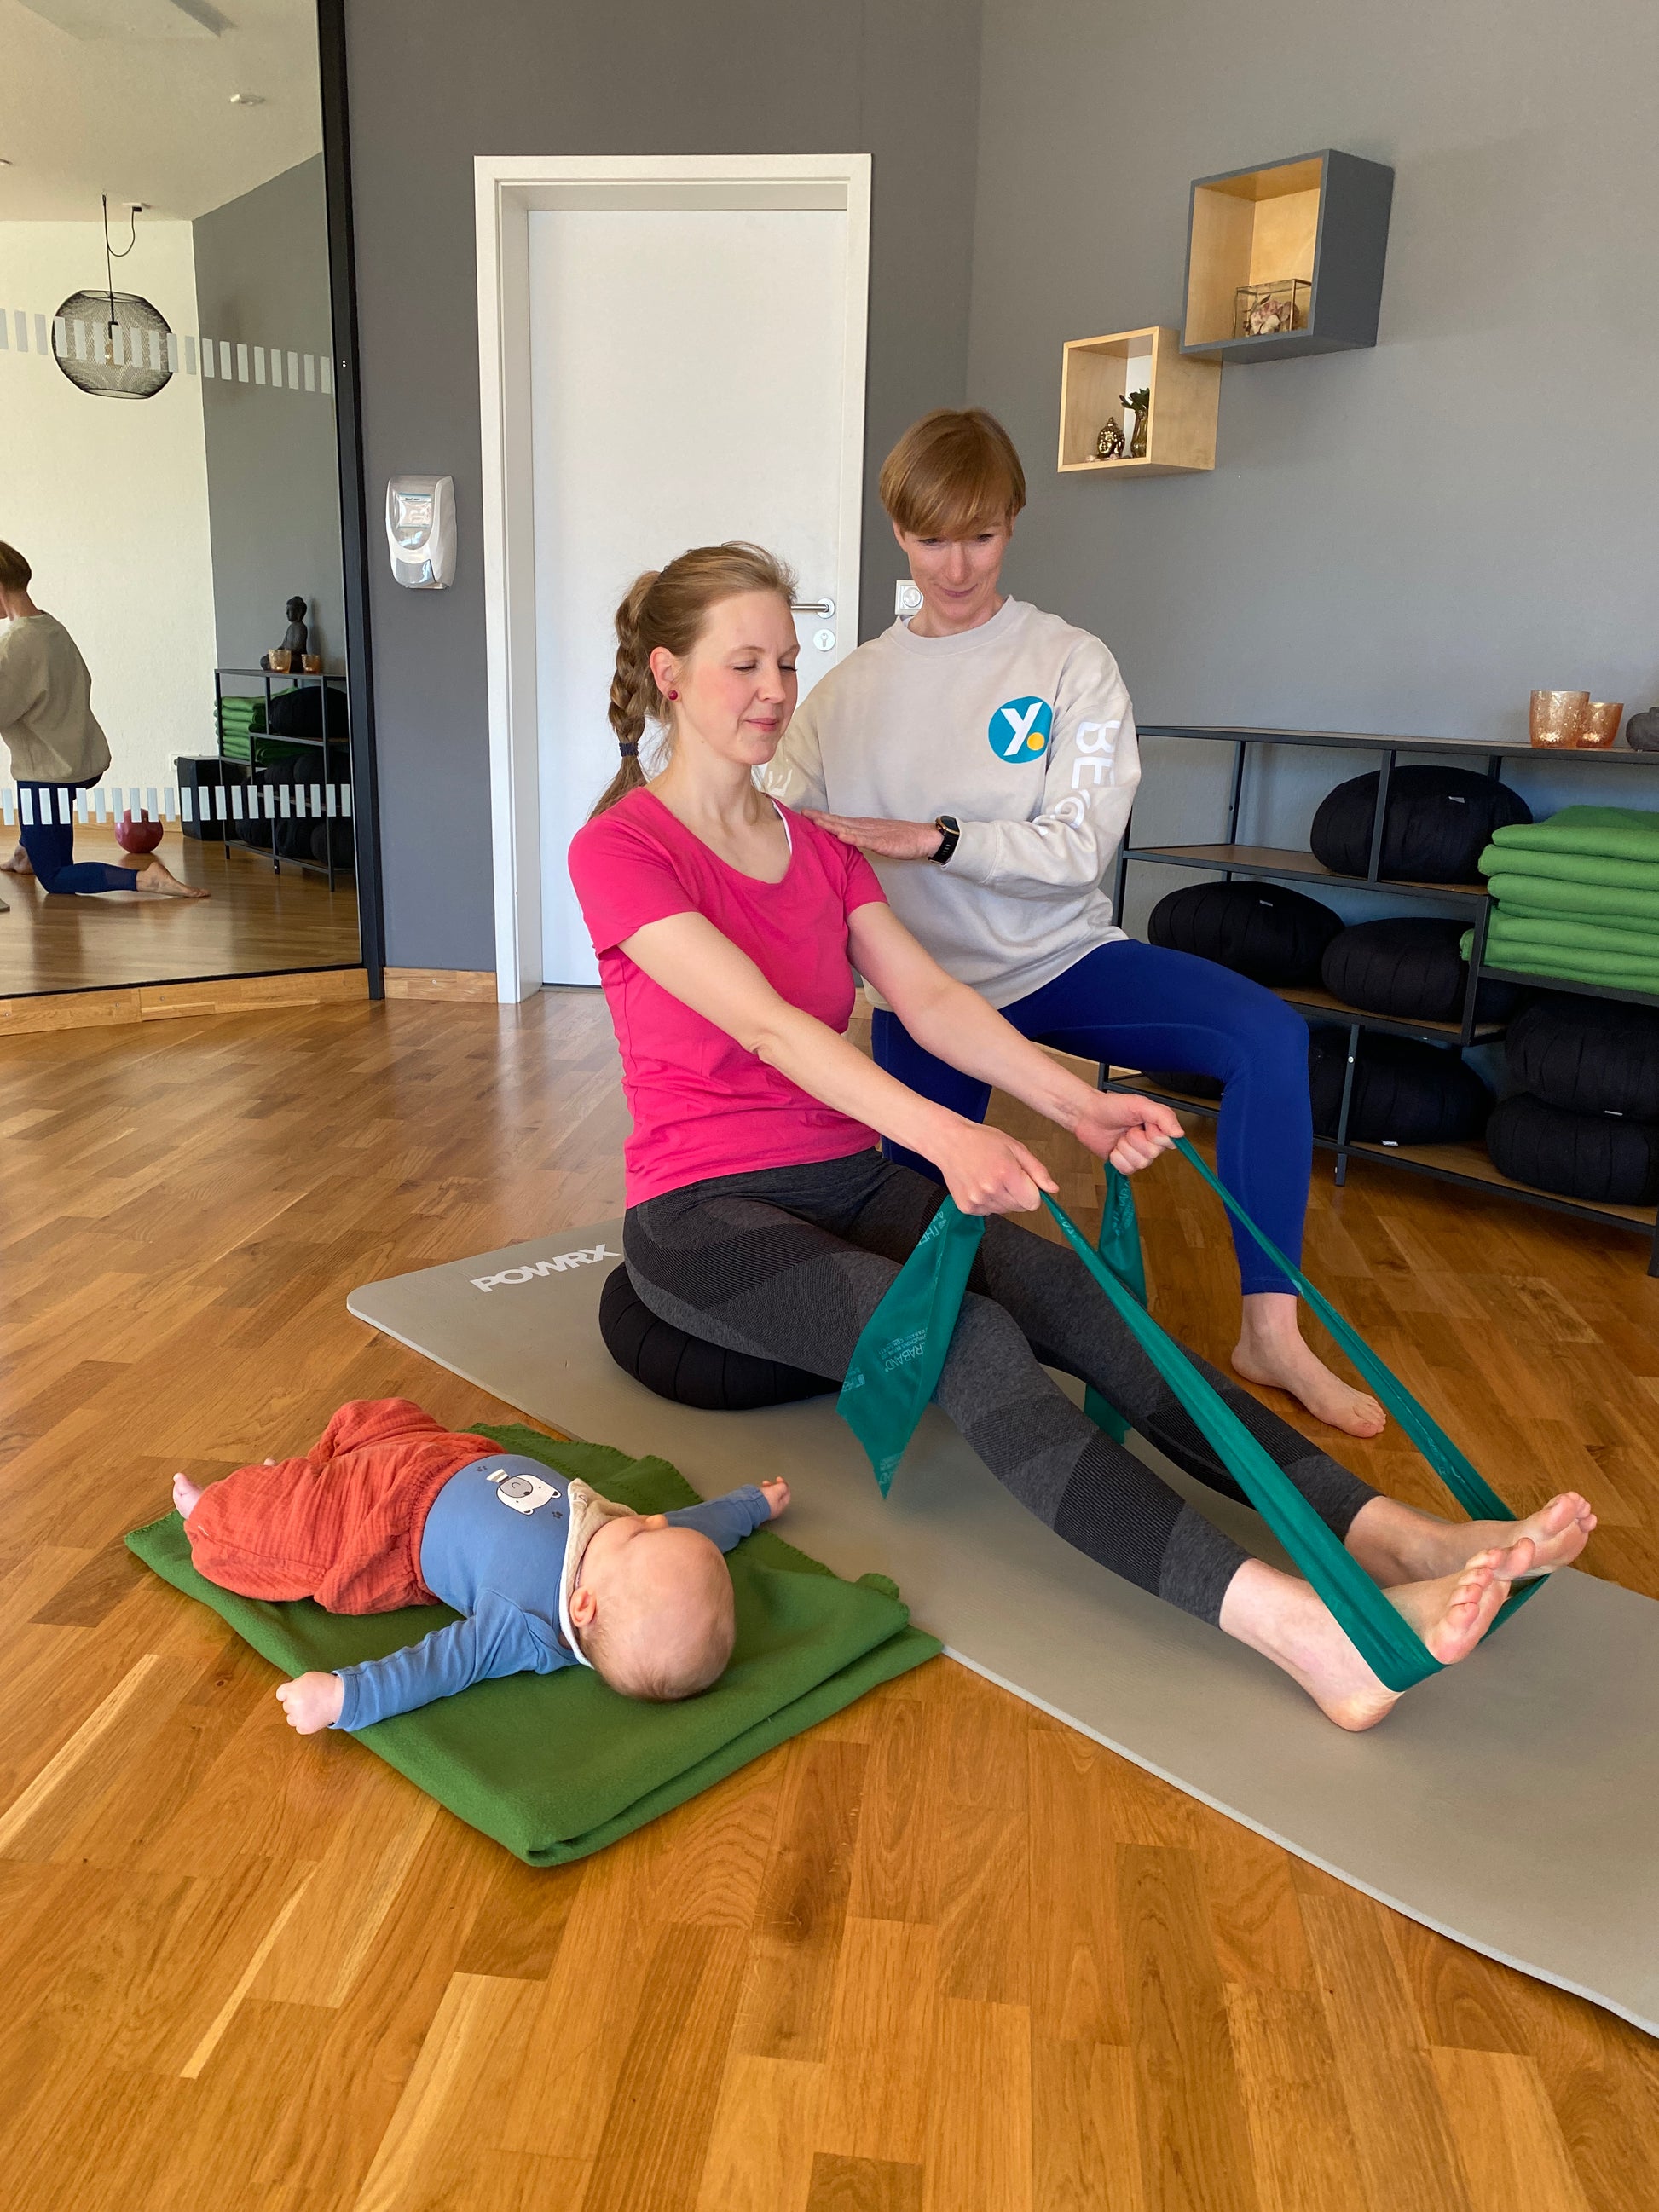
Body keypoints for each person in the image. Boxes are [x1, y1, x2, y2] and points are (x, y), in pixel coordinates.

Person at [567, 541, 1596, 1731]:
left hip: (844, 1180)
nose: (774, 690)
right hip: (701, 1214)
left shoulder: (820, 846)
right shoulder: (622, 849)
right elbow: (767, 1028)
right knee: (971, 1340)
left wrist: (1072, 1102)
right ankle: (1305, 1633)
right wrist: (947, 1142)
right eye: (743, 663)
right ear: (669, 674)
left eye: (787, 662)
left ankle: (1392, 1534)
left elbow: (932, 998)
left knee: (1082, 1299)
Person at [762, 409, 1374, 1437]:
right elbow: (771, 827)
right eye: (931, 539)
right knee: (914, 1230)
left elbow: (1077, 851)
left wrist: (933, 839)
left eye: (980, 535)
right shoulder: (844, 693)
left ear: (1012, 522)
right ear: (898, 533)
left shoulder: (1068, 663)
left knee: (1269, 1037)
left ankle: (1269, 1332)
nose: (956, 566)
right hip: (924, 993)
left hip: (1059, 963)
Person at [171, 1395, 787, 1730]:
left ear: (583, 1607)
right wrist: (751, 1505)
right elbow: (693, 1529)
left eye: (639, 1534)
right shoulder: (631, 1560)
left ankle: (220, 1511)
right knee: (379, 1414)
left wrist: (343, 1697)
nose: (652, 1520)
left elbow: (439, 1665)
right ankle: (311, 1473)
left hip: (389, 1527)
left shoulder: (524, 1625)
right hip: (449, 1457)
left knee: (285, 1531)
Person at [0, 540, 205, 899]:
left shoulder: (15, 645)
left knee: (57, 877)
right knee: (43, 819)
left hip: (48, 775)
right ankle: (26, 852)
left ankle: (146, 879)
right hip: (81, 760)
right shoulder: (51, 627)